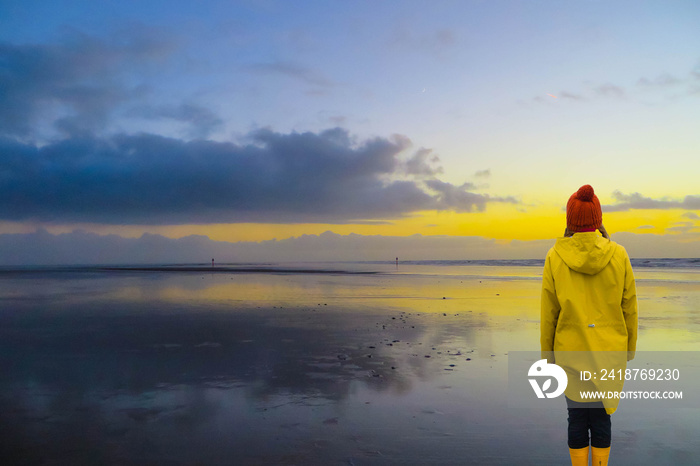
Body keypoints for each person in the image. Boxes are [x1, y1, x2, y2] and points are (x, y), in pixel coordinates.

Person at [540, 184, 638, 466]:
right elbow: (629, 305)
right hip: (609, 351)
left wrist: (547, 357)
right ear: (598, 220)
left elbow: (550, 311)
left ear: (570, 221)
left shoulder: (555, 255)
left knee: (577, 417)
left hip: (571, 351)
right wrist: (629, 349)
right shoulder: (618, 254)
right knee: (602, 418)